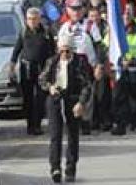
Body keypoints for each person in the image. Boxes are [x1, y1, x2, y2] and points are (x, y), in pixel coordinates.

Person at [39, 35, 93, 183]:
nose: (64, 54)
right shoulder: (52, 62)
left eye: (67, 51)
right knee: (55, 135)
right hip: (55, 99)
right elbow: (42, 79)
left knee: (72, 135)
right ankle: (55, 168)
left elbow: (87, 85)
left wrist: (81, 103)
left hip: (72, 99)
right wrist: (50, 87)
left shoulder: (79, 63)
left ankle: (70, 169)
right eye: (62, 51)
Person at [9, 7, 55, 135]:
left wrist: (52, 68)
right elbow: (16, 50)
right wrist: (11, 67)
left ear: (39, 19)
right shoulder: (23, 32)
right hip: (27, 68)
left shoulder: (46, 32)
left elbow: (53, 51)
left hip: (43, 69)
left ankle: (38, 124)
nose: (32, 21)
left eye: (34, 19)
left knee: (40, 98)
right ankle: (30, 125)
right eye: (29, 19)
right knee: (28, 98)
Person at [109, 4, 136, 135]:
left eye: (129, 12)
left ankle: (135, 122)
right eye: (124, 12)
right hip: (120, 68)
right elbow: (108, 44)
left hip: (135, 67)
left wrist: (135, 59)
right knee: (119, 97)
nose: (126, 14)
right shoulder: (115, 26)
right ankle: (121, 124)